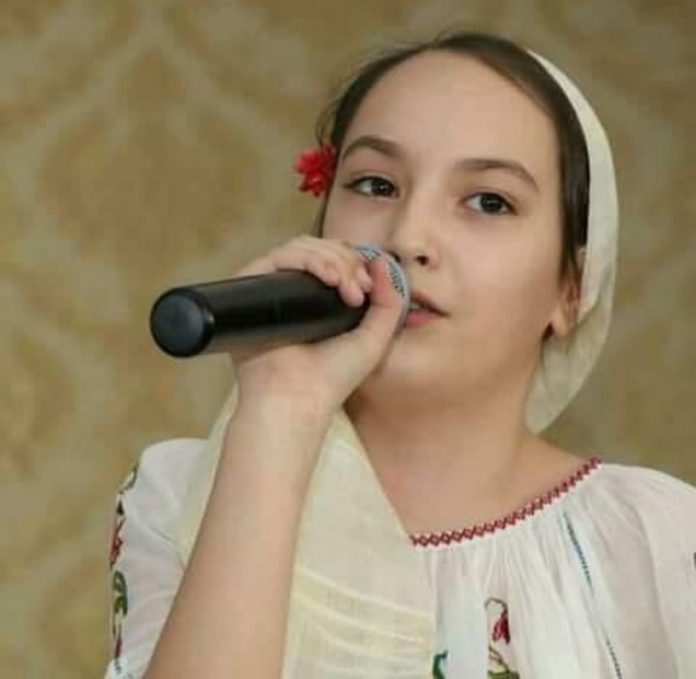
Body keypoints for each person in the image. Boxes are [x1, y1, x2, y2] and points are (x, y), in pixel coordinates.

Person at [104, 31, 696, 679]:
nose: (408, 237)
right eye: (376, 184)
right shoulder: (181, 495)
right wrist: (277, 411)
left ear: (570, 290)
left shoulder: (658, 538)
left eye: (489, 201)